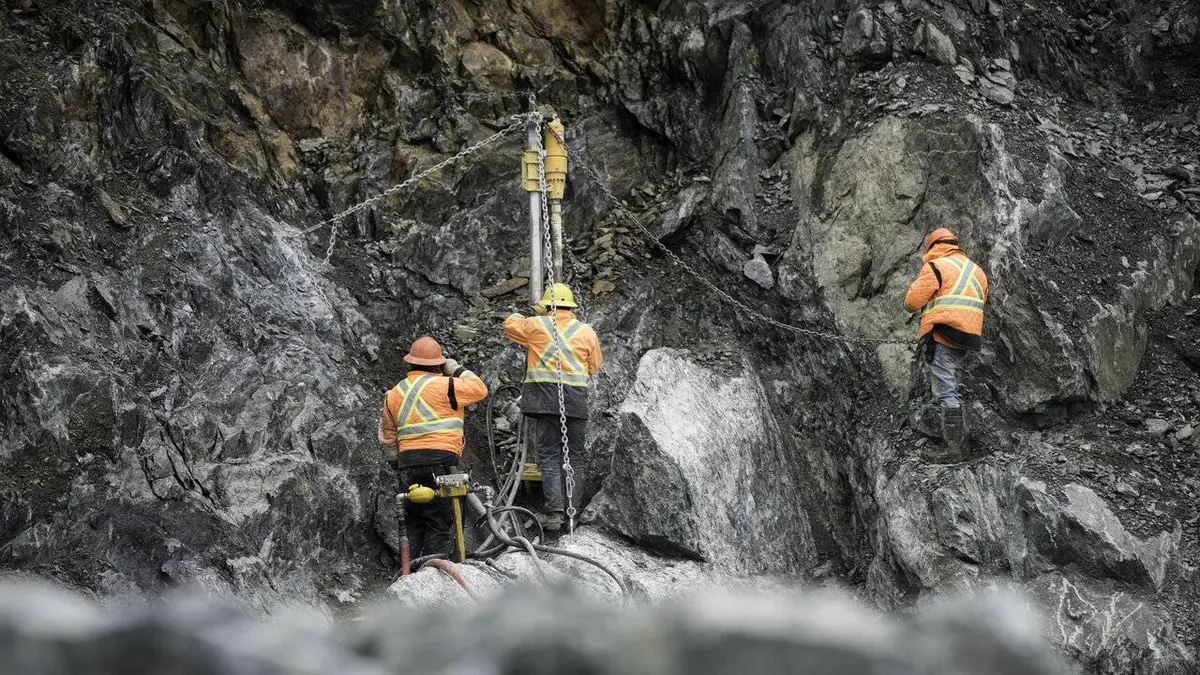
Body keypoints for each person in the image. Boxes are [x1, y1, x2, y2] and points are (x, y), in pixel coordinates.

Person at [503, 283, 602, 531]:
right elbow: (593, 367)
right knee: (575, 457)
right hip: (575, 402)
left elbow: (509, 324)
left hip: (543, 401)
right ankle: (572, 513)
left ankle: (555, 513)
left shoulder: (536, 324)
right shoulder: (586, 332)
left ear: (547, 305)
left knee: (549, 455)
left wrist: (531, 311)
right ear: (571, 306)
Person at [379, 336, 488, 559]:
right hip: (441, 462)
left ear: (410, 362)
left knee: (415, 520)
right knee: (440, 520)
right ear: (438, 364)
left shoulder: (394, 393)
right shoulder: (447, 385)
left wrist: (398, 465)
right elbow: (480, 388)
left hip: (408, 464)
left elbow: (388, 438)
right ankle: (435, 569)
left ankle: (410, 570)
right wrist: (455, 368)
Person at [904, 228, 989, 451]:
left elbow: (912, 302)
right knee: (953, 384)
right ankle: (962, 442)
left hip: (944, 332)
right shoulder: (977, 270)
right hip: (969, 336)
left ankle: (954, 448)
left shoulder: (936, 266)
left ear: (933, 246)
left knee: (945, 390)